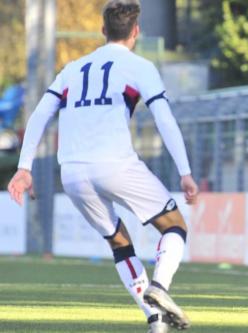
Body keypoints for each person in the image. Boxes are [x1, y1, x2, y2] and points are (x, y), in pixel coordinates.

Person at [7, 1, 198, 332]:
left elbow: (38, 114)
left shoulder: (72, 69)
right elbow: (164, 119)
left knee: (118, 241)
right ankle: (161, 287)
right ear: (135, 32)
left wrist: (24, 167)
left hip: (72, 172)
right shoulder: (139, 67)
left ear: (102, 30)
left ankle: (155, 320)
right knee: (174, 226)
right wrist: (185, 172)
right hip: (115, 164)